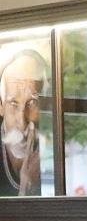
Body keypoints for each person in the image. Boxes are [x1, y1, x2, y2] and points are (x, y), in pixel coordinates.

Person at [0, 48, 48, 197]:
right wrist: (27, 190)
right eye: (13, 103)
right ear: (1, 106)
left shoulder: (53, 147)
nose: (22, 123)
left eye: (32, 102)